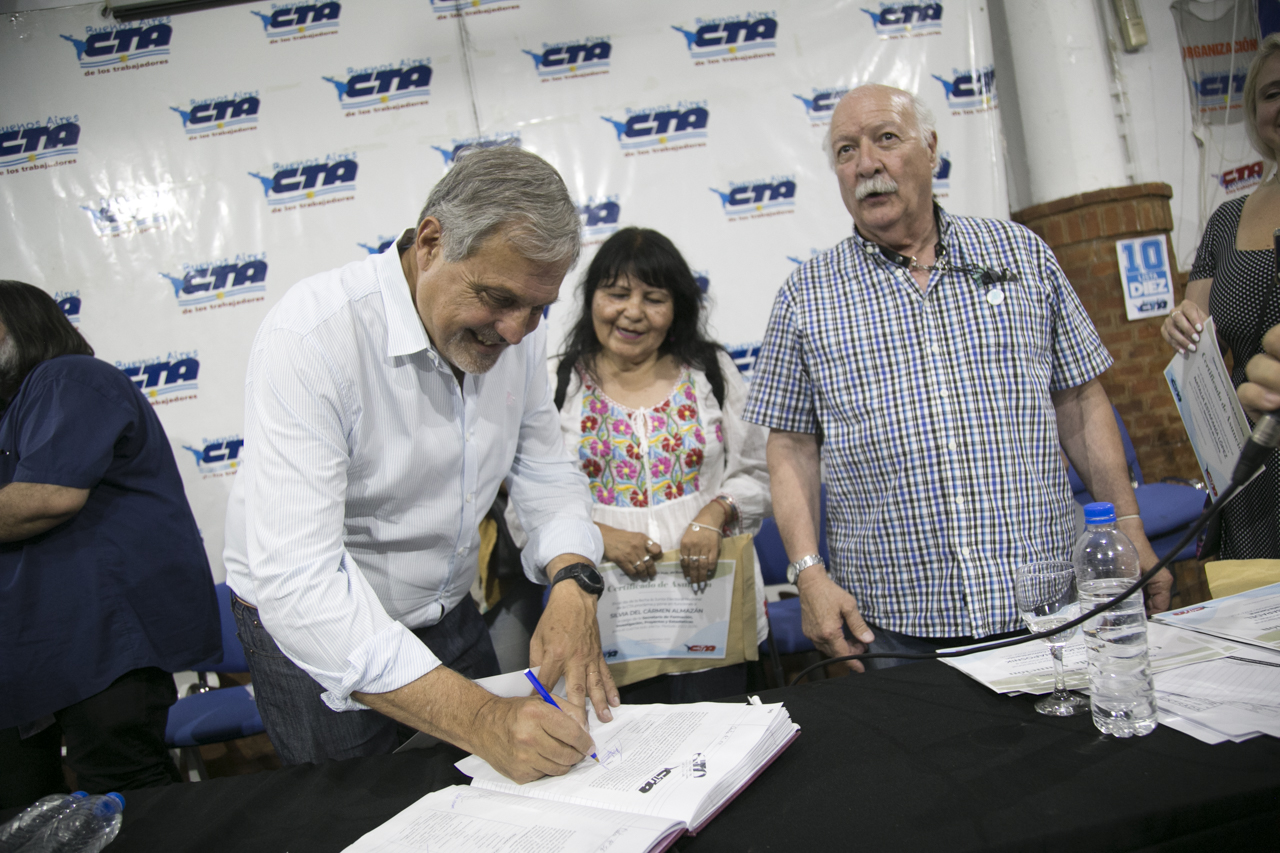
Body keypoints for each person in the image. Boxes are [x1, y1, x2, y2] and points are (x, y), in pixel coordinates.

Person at [743, 84, 1170, 672]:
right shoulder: (805, 296)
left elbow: (1079, 399)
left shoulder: (1021, 255)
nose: (866, 164)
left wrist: (1128, 527)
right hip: (893, 628)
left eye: (886, 139)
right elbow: (791, 447)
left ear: (931, 149)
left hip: (1045, 604)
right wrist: (809, 575)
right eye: (846, 150)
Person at [224, 146, 616, 783]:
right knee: (357, 813)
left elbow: (544, 471)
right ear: (431, 242)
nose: (516, 332)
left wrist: (574, 579)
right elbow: (299, 583)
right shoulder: (312, 336)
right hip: (321, 633)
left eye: (538, 308)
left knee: (490, 799)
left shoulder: (516, 326)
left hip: (448, 609)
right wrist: (481, 718)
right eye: (498, 298)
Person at [0, 281, 220, 807]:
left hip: (103, 638)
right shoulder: (14, 410)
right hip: (45, 647)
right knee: (26, 804)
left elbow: (48, 496)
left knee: (127, 787)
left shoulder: (68, 377)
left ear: (21, 324)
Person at [544, 227, 771, 702]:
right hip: (606, 617)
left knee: (723, 730)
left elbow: (759, 468)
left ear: (677, 308)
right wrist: (598, 536)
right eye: (617, 293)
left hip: (711, 614)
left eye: (654, 299)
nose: (633, 312)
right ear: (591, 299)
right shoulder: (558, 382)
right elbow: (532, 501)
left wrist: (715, 514)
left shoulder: (710, 372)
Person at [1161, 33, 1280, 560]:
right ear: (1255, 112)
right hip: (1248, 456)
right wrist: (1179, 325)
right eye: (1273, 93)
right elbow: (1197, 326)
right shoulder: (1227, 220)